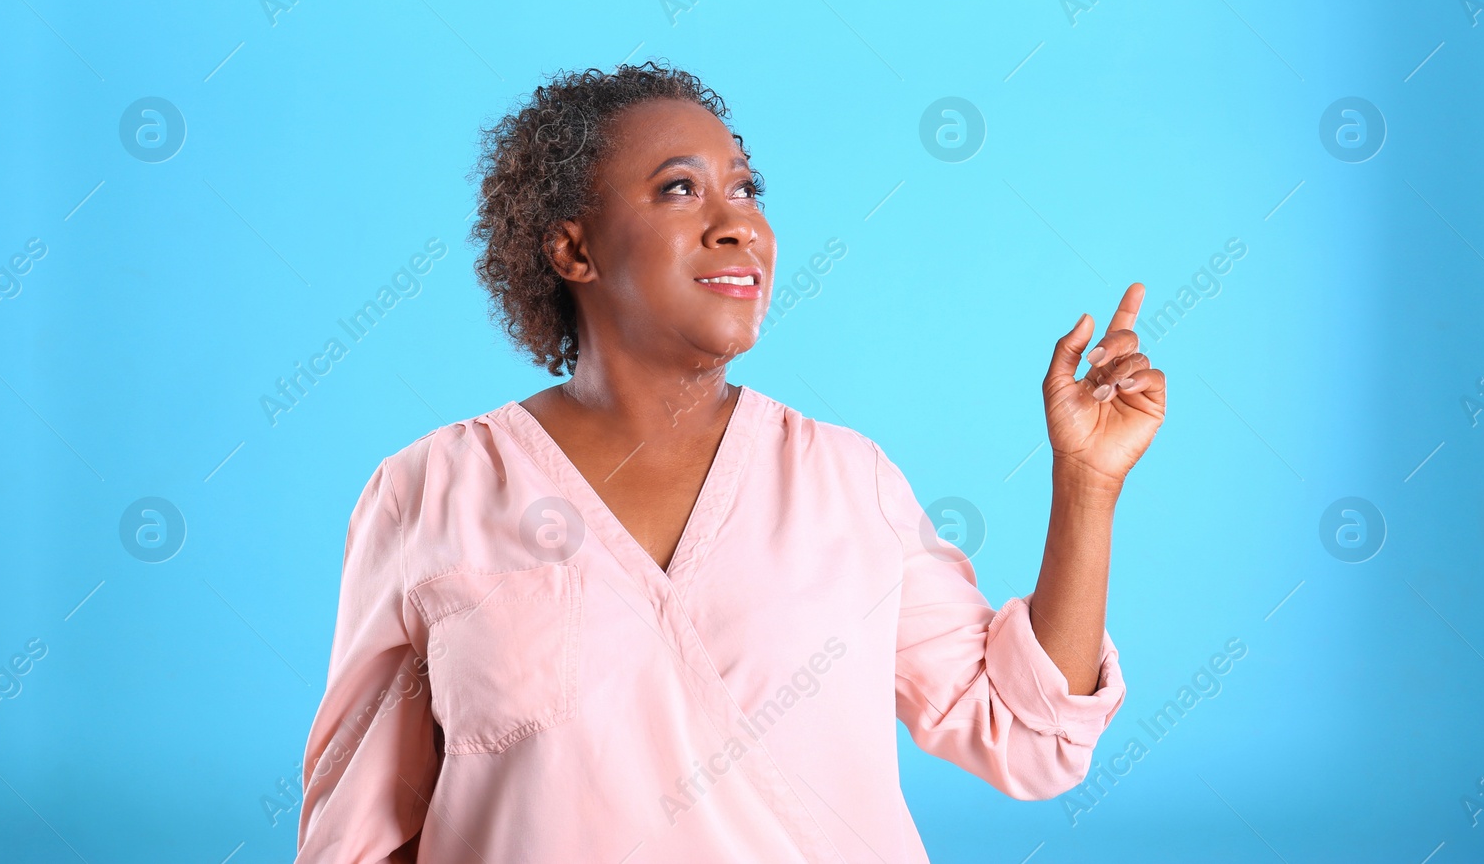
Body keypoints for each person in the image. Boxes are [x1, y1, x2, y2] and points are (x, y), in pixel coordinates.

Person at [296, 62, 1166, 863]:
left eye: (747, 188)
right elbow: (359, 834)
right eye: (680, 188)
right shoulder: (428, 493)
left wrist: (1087, 484)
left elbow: (1026, 733)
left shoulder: (842, 480)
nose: (737, 221)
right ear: (574, 250)